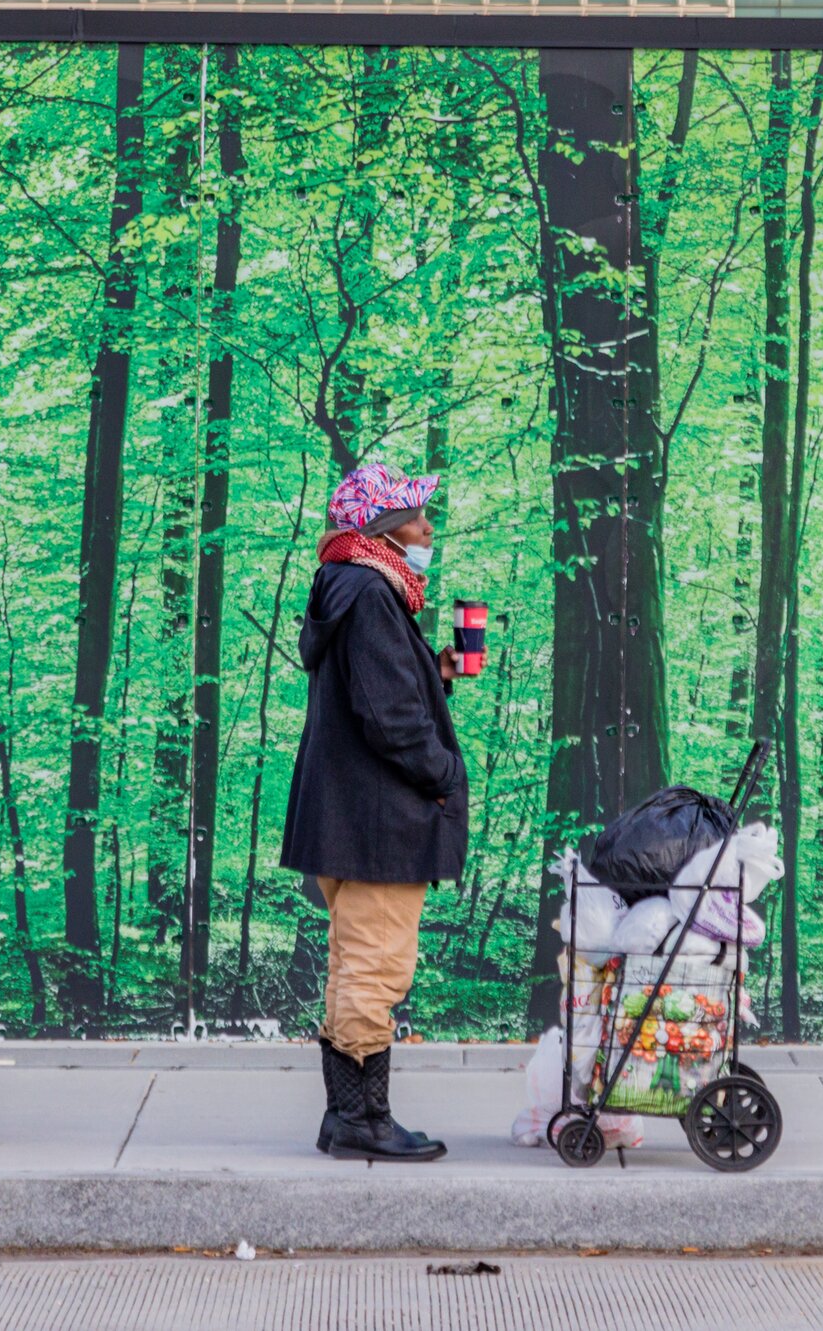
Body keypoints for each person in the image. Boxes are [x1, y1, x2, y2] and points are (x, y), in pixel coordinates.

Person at [281, 462, 469, 1162]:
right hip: (381, 822)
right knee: (377, 969)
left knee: (349, 964)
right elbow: (388, 715)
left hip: (348, 817)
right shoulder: (370, 594)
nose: (428, 528)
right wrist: (446, 776)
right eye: (417, 516)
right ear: (384, 528)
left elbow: (377, 686)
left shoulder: (353, 586)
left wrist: (436, 672)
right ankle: (367, 1118)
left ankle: (343, 1115)